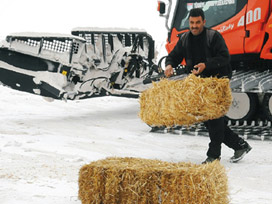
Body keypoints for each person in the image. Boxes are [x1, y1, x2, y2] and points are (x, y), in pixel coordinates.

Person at [164, 8, 252, 163]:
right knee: (209, 119)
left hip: (217, 81)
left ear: (204, 22)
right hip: (200, 84)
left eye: (198, 22)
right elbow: (174, 56)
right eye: (191, 23)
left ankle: (213, 155)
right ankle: (240, 145)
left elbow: (225, 57)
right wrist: (169, 65)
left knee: (214, 119)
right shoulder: (185, 38)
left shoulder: (213, 36)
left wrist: (206, 64)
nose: (194, 26)